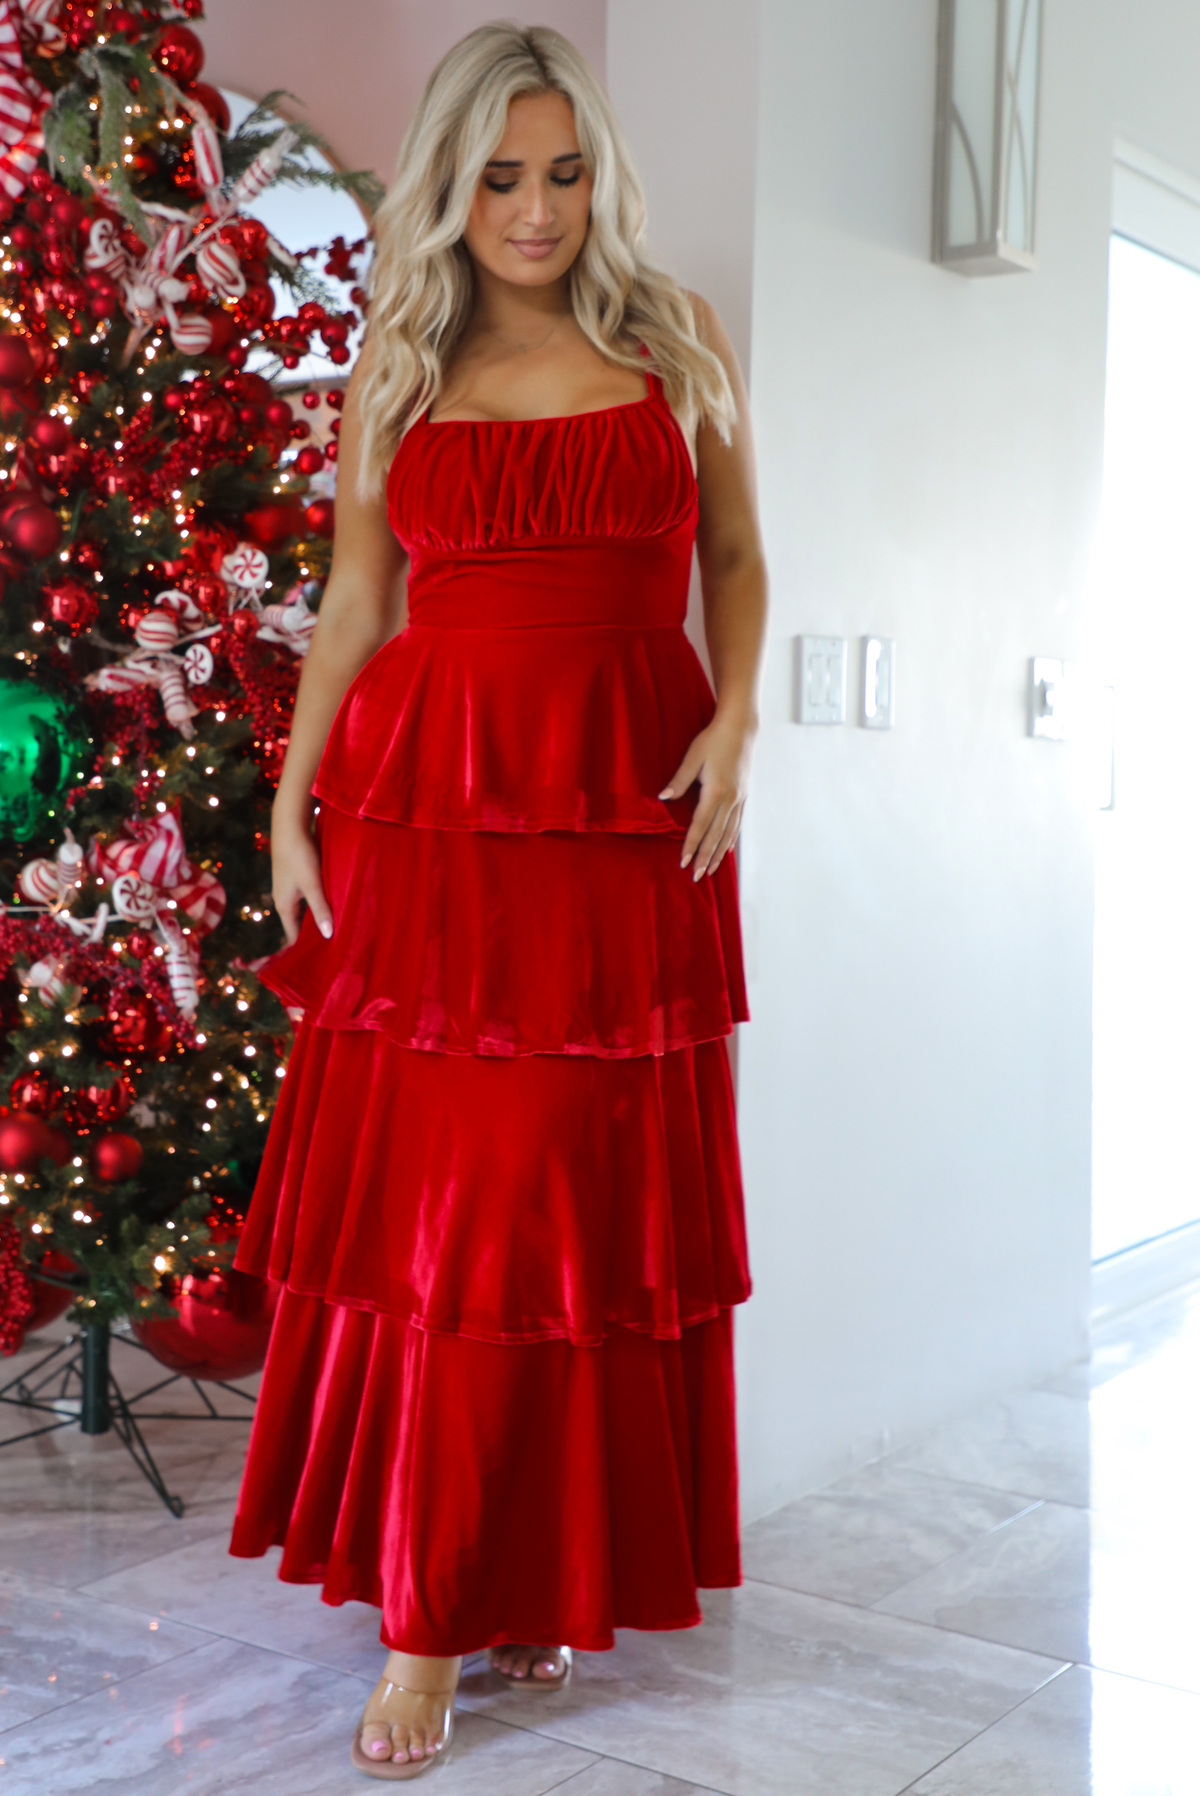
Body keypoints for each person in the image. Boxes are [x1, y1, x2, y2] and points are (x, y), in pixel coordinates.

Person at [229, 21, 767, 1781]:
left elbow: (738, 560)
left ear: (597, 173)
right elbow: (356, 602)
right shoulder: (404, 364)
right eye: (497, 177)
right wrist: (297, 801)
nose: (535, 209)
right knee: (463, 1216)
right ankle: (425, 1617)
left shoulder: (671, 337)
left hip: (627, 818)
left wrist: (741, 718)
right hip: (434, 828)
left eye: (564, 170)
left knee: (577, 1212)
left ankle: (529, 1570)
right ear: (449, 188)